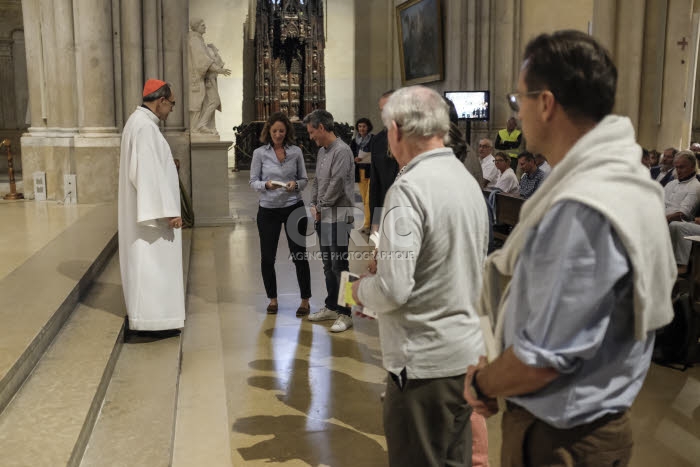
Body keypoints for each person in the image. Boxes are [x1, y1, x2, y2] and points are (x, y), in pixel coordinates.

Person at [464, 30, 675, 467]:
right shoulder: (625, 179)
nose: (516, 111)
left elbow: (544, 359)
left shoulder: (583, 207)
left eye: (517, 98)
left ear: (545, 103)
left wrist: (483, 384)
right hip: (585, 420)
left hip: (562, 438)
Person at [351, 85, 489, 467]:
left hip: (423, 366)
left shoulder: (408, 189)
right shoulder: (466, 181)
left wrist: (361, 290)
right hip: (464, 357)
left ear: (395, 130)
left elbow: (394, 289)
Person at [118, 79, 185, 337]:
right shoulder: (144, 128)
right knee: (152, 267)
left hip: (147, 210)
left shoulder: (139, 123)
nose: (171, 110)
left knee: (150, 267)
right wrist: (168, 210)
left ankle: (154, 320)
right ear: (161, 101)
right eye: (172, 104)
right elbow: (146, 174)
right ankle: (151, 323)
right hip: (152, 218)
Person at [249, 112, 311, 317]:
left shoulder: (296, 152)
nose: (278, 134)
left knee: (299, 255)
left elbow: (304, 179)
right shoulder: (260, 153)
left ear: (287, 132)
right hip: (268, 209)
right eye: (274, 131)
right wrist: (266, 184)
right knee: (268, 257)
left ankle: (305, 301)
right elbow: (253, 182)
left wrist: (296, 185)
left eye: (281, 131)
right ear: (269, 131)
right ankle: (273, 299)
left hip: (294, 206)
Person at [304, 109, 356, 333]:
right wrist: (314, 204)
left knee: (340, 265)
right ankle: (332, 306)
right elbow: (317, 181)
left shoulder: (342, 151)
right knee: (327, 265)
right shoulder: (322, 152)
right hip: (322, 215)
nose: (311, 136)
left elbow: (336, 184)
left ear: (322, 128)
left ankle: (346, 313)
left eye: (312, 131)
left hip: (339, 216)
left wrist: (321, 206)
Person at [188, 18, 231, 135]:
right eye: (202, 25)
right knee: (206, 102)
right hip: (200, 79)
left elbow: (207, 59)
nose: (205, 27)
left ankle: (201, 126)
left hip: (205, 79)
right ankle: (198, 126)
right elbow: (203, 60)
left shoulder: (199, 40)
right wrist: (219, 69)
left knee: (208, 102)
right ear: (196, 26)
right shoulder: (195, 41)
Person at [369, 90, 399, 232]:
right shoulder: (377, 140)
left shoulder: (414, 139)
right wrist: (375, 224)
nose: (384, 115)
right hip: (386, 212)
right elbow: (375, 185)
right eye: (382, 111)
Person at [350, 117, 374, 234]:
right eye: (359, 126)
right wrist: (354, 158)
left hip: (372, 171)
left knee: (369, 199)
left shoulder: (373, 139)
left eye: (364, 126)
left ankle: (368, 224)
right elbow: (351, 155)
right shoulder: (354, 141)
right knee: (364, 199)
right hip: (360, 172)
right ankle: (368, 223)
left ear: (368, 127)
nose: (362, 128)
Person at [663, 150, 700, 223]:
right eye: (676, 167)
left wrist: (662, 219)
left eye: (682, 167)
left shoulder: (696, 186)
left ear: (692, 166)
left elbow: (683, 214)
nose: (678, 171)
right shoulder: (671, 184)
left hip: (672, 223)